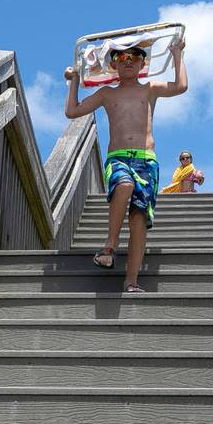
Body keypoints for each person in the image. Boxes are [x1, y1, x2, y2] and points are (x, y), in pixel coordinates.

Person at [63, 38, 188, 292]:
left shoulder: (150, 88)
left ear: (143, 62)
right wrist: (74, 79)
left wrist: (177, 54)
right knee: (124, 183)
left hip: (146, 159)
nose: (128, 61)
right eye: (121, 58)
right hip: (118, 156)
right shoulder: (107, 93)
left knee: (139, 218)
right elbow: (72, 111)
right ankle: (110, 245)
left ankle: (131, 281)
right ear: (113, 65)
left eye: (134, 57)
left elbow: (180, 85)